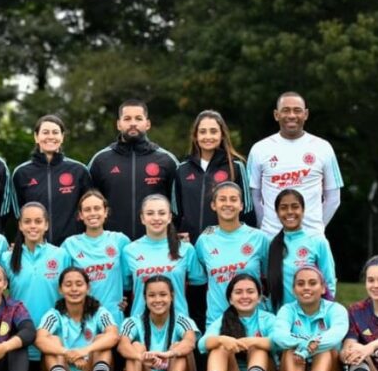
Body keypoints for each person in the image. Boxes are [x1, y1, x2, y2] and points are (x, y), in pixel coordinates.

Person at [247, 92, 344, 237]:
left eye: (297, 110)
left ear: (305, 114)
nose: (292, 115)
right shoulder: (259, 149)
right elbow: (253, 197)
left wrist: (316, 228)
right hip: (271, 238)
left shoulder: (323, 148)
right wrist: (265, 227)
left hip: (311, 239)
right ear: (276, 115)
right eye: (286, 110)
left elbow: (333, 198)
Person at [87, 99, 181, 240]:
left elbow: (178, 207)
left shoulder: (167, 160)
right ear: (119, 124)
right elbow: (88, 205)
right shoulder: (100, 161)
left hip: (155, 245)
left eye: (138, 118)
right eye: (127, 118)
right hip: (111, 246)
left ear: (147, 123)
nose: (133, 123)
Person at [2, 202, 70, 371]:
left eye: (38, 221)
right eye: (28, 221)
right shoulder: (6, 258)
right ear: (20, 225)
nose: (33, 226)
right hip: (20, 339)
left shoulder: (61, 255)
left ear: (46, 225)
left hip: (53, 338)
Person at [35, 267, 118, 371]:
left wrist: (84, 351)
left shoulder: (100, 312)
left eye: (79, 284)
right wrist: (67, 353)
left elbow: (114, 335)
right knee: (52, 340)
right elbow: (39, 339)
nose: (74, 289)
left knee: (101, 341)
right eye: (68, 285)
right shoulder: (54, 315)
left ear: (88, 288)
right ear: (60, 290)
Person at [194, 182, 270, 327]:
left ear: (241, 205)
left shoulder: (259, 238)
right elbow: (201, 279)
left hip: (255, 321)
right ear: (213, 205)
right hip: (218, 321)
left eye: (233, 199)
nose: (228, 204)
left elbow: (269, 279)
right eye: (222, 199)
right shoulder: (204, 241)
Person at [7, 115, 90, 245]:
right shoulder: (21, 173)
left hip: (73, 248)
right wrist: (17, 243)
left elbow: (88, 210)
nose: (50, 136)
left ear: (62, 137)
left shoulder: (79, 170)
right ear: (36, 137)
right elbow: (15, 215)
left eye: (55, 132)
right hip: (36, 247)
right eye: (45, 132)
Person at [175, 110, 255, 244]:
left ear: (222, 135)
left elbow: (247, 210)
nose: (208, 136)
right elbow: (175, 212)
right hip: (190, 245)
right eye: (202, 131)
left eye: (213, 131)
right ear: (195, 136)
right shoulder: (182, 169)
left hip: (226, 244)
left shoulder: (235, 167)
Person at [118, 276, 199, 371]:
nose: (157, 300)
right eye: (152, 295)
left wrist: (169, 354)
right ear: (145, 298)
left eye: (163, 295)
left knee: (179, 346)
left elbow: (190, 342)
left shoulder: (183, 321)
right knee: (136, 345)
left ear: (171, 296)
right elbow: (122, 345)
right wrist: (140, 357)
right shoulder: (132, 322)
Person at [273, 265, 348, 371]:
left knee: (325, 348)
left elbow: (337, 334)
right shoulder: (287, 310)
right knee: (290, 348)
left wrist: (307, 350)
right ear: (294, 290)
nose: (306, 287)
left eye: (312, 283)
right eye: (300, 284)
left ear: (323, 288)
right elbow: (279, 335)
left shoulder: (336, 309)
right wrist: (302, 344)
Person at [197, 274, 277, 371]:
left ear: (259, 298)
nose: (245, 296)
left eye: (250, 292)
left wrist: (252, 341)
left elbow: (280, 342)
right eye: (238, 292)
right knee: (219, 346)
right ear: (231, 299)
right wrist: (222, 340)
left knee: (258, 347)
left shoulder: (269, 319)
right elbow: (201, 344)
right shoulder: (222, 320)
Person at [122, 194, 206, 319]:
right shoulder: (129, 251)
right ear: (142, 218)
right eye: (150, 213)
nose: (156, 218)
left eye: (161, 213)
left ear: (169, 217)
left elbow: (198, 288)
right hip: (140, 325)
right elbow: (125, 289)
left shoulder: (186, 249)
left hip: (179, 325)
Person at [61, 190, 130, 324]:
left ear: (105, 212)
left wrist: (126, 298)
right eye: (87, 210)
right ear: (81, 215)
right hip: (82, 318)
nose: (92, 213)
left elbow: (129, 281)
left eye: (97, 208)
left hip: (114, 317)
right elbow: (62, 283)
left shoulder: (120, 241)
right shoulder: (69, 245)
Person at [265, 188, 337, 310]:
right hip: (280, 321)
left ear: (303, 210)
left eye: (295, 207)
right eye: (283, 208)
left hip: (310, 319)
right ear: (277, 213)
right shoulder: (271, 245)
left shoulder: (318, 242)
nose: (289, 212)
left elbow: (329, 284)